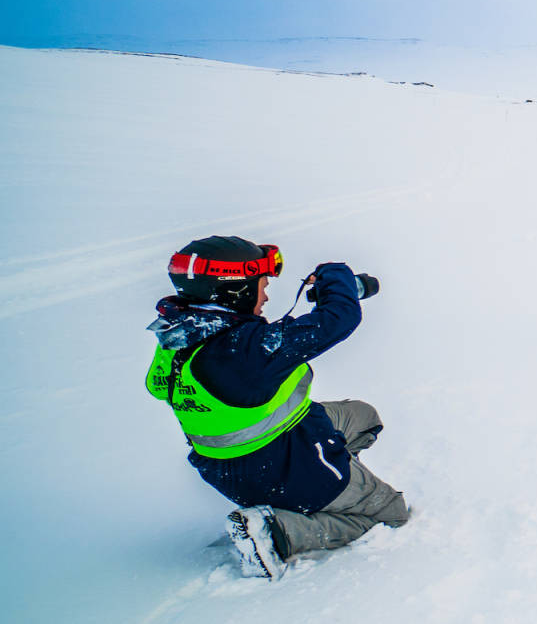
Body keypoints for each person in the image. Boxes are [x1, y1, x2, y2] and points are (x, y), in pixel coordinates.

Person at [145, 235, 408, 580]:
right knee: (391, 513)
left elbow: (158, 385)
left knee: (364, 417)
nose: (266, 295)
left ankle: (324, 487)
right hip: (287, 465)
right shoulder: (244, 352)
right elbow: (339, 319)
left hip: (227, 469)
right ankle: (278, 530)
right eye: (261, 284)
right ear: (234, 291)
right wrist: (335, 274)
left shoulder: (181, 333)